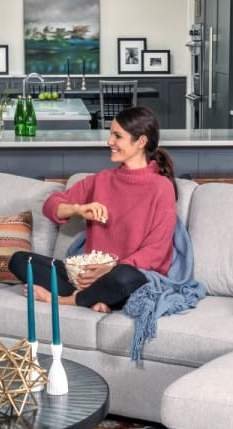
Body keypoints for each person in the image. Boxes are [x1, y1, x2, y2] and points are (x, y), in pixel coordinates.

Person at [9, 106, 177, 313]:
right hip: (87, 277)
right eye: (110, 134)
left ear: (141, 141)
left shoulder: (162, 187)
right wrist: (78, 209)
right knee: (20, 260)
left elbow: (156, 251)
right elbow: (51, 205)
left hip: (126, 276)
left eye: (117, 136)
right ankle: (96, 298)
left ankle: (64, 300)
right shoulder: (101, 180)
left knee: (124, 278)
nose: (109, 141)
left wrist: (110, 269)